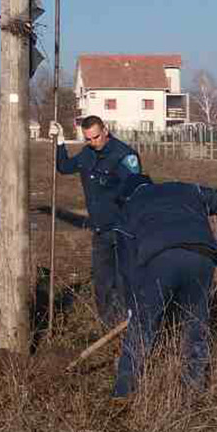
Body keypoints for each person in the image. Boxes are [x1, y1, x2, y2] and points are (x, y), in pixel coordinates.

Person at [110, 179, 217, 398]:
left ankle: (123, 392)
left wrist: (133, 306)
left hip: (160, 259)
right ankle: (193, 392)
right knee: (195, 326)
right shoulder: (188, 189)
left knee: (141, 329)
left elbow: (127, 267)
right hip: (202, 256)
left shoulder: (131, 205)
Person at [50, 115, 145, 327]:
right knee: (102, 281)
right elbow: (64, 167)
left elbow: (136, 190)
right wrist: (59, 142)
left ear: (105, 131)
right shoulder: (87, 154)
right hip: (100, 229)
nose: (93, 142)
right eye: (88, 139)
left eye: (96, 137)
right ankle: (106, 324)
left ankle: (124, 326)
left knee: (123, 281)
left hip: (122, 228)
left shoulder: (124, 156)